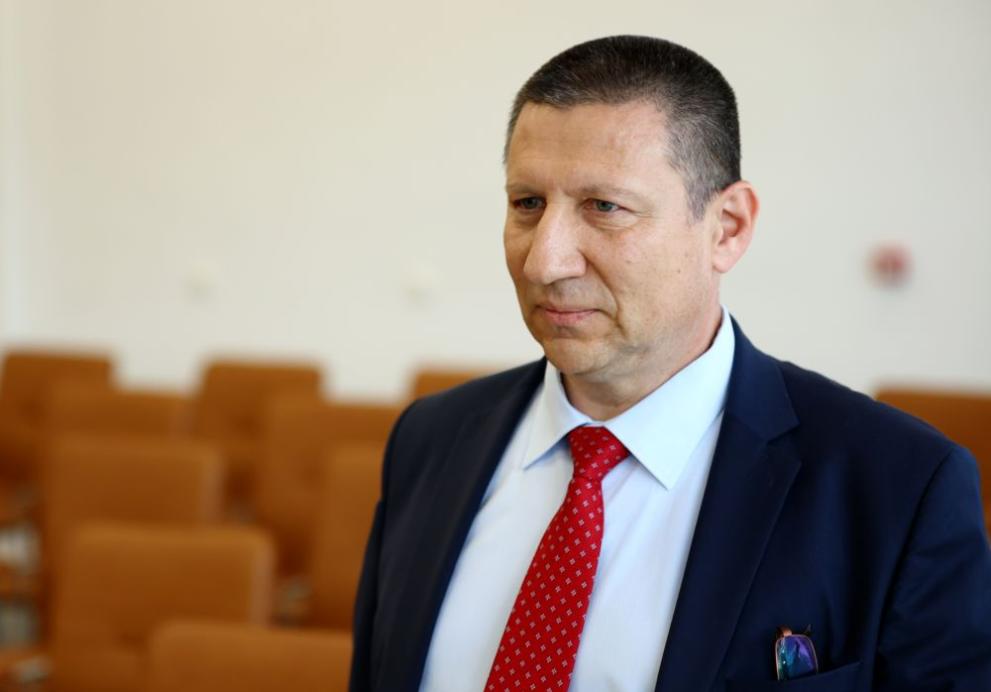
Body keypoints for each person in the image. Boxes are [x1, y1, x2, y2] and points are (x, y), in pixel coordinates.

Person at [350, 35, 991, 692]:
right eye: (527, 204)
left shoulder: (896, 486)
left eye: (604, 207)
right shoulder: (429, 440)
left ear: (727, 227)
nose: (544, 261)